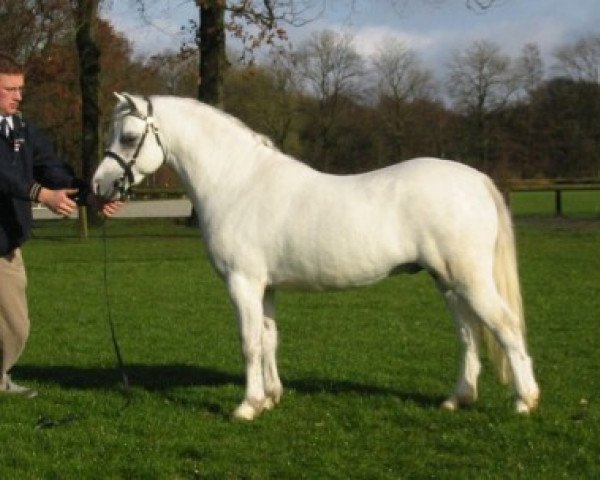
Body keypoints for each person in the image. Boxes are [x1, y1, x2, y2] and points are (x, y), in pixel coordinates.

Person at [0, 52, 121, 397]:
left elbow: (53, 168)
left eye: (20, 88)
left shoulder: (22, 129)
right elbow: (4, 176)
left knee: (16, 328)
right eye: (9, 89)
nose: (18, 96)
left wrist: (90, 197)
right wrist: (42, 195)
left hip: (6, 245)